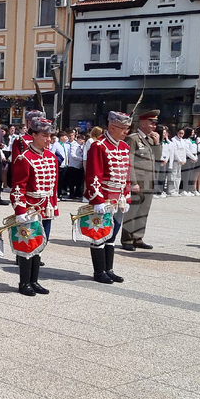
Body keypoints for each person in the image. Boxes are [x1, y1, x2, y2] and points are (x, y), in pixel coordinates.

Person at [9, 116, 58, 296]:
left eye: (50, 136)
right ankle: (24, 282)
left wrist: (53, 205)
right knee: (27, 245)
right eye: (44, 135)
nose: (48, 139)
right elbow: (18, 187)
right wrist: (20, 210)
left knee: (40, 244)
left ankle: (34, 280)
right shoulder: (24, 158)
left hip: (45, 207)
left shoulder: (51, 157)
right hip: (30, 207)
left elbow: (53, 186)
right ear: (34, 135)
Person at [85, 112, 132, 284]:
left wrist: (126, 196)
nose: (126, 132)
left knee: (112, 236)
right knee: (99, 235)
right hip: (104, 197)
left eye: (127, 128)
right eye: (124, 128)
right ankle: (99, 271)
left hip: (118, 198)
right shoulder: (99, 146)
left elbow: (125, 175)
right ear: (112, 127)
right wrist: (97, 200)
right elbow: (93, 175)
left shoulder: (124, 147)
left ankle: (108, 269)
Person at [121, 110, 162, 251]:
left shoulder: (150, 139)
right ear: (143, 123)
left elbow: (157, 158)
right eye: (151, 123)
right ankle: (127, 239)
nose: (154, 126)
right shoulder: (133, 139)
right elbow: (129, 162)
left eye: (154, 124)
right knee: (132, 212)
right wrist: (133, 182)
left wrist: (157, 143)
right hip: (138, 181)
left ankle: (138, 238)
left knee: (143, 211)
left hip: (149, 181)